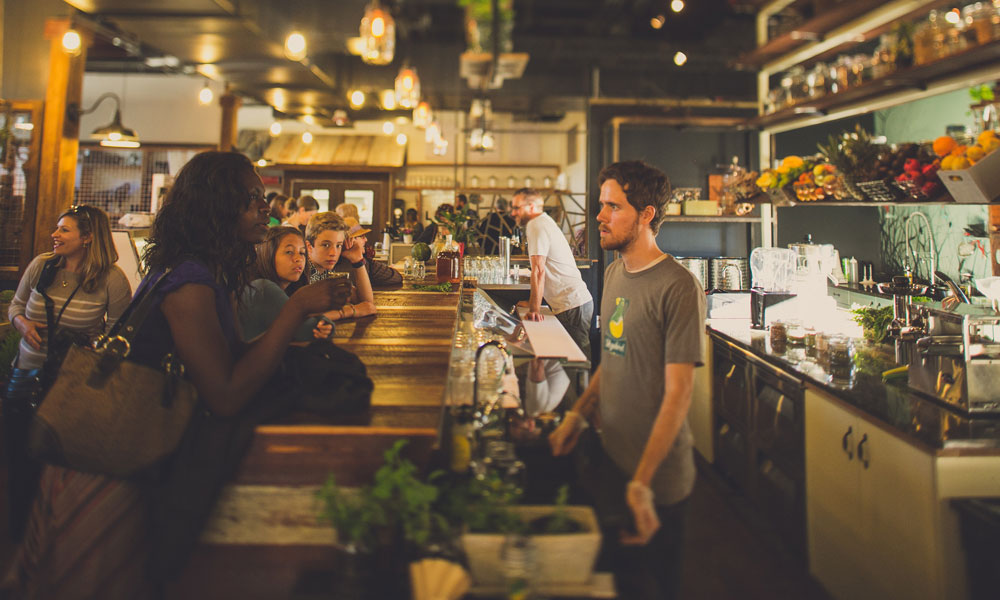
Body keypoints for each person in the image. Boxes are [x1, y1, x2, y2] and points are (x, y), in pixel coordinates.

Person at [3, 152, 351, 598]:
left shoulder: (207, 271)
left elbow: (229, 356)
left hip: (135, 445)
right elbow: (224, 392)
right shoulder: (191, 281)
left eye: (262, 199)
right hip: (112, 460)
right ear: (217, 208)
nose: (265, 209)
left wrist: (299, 343)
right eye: (251, 200)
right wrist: (298, 309)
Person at [549, 160, 706, 600]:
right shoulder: (615, 273)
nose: (599, 216)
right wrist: (578, 417)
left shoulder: (678, 287)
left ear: (646, 215)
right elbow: (613, 361)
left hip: (656, 484)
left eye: (613, 206)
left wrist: (643, 482)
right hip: (614, 463)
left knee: (653, 587)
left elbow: (678, 395)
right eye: (601, 205)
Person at [5, 204, 132, 540]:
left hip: (72, 383)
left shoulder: (112, 279)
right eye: (56, 228)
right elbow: (16, 305)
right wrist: (21, 322)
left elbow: (121, 333)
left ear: (88, 238)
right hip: (27, 373)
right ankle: (18, 532)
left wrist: (95, 348)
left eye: (64, 230)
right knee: (19, 455)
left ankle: (53, 536)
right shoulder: (42, 266)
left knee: (57, 461)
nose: (55, 235)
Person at [510, 188, 593, 360]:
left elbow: (539, 270)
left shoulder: (536, 225)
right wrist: (533, 303)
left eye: (517, 208)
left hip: (572, 305)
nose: (513, 213)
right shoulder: (543, 222)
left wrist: (534, 309)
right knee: (573, 360)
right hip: (574, 303)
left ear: (531, 207)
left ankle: (589, 387)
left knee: (576, 363)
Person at [239, 226, 334, 342]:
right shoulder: (263, 289)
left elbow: (320, 324)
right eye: (289, 252)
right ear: (268, 253)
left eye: (302, 252)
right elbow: (309, 330)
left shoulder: (283, 290)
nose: (298, 258)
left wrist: (324, 322)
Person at [306, 212, 378, 321]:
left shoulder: (324, 271)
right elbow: (302, 318)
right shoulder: (302, 272)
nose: (333, 252)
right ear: (309, 246)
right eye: (325, 245)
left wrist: (357, 260)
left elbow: (366, 303)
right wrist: (352, 311)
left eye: (338, 245)